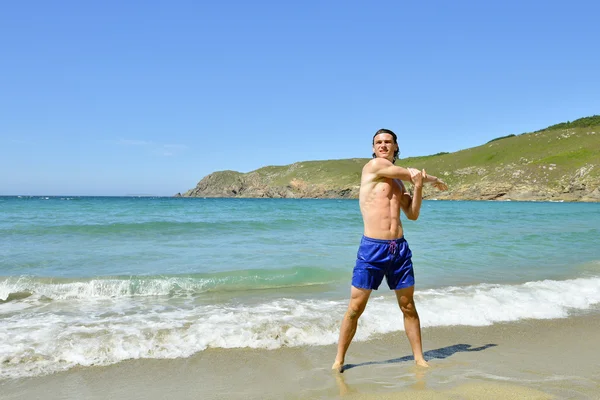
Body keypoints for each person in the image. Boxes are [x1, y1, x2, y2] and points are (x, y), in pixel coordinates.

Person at [332, 128, 448, 372]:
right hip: (373, 248)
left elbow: (413, 214)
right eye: (378, 142)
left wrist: (418, 187)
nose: (383, 145)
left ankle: (419, 358)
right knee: (355, 308)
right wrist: (434, 180)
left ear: (396, 147)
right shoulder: (372, 168)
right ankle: (339, 360)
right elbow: (410, 173)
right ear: (373, 148)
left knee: (408, 306)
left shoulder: (398, 183)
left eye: (387, 142)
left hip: (399, 249)